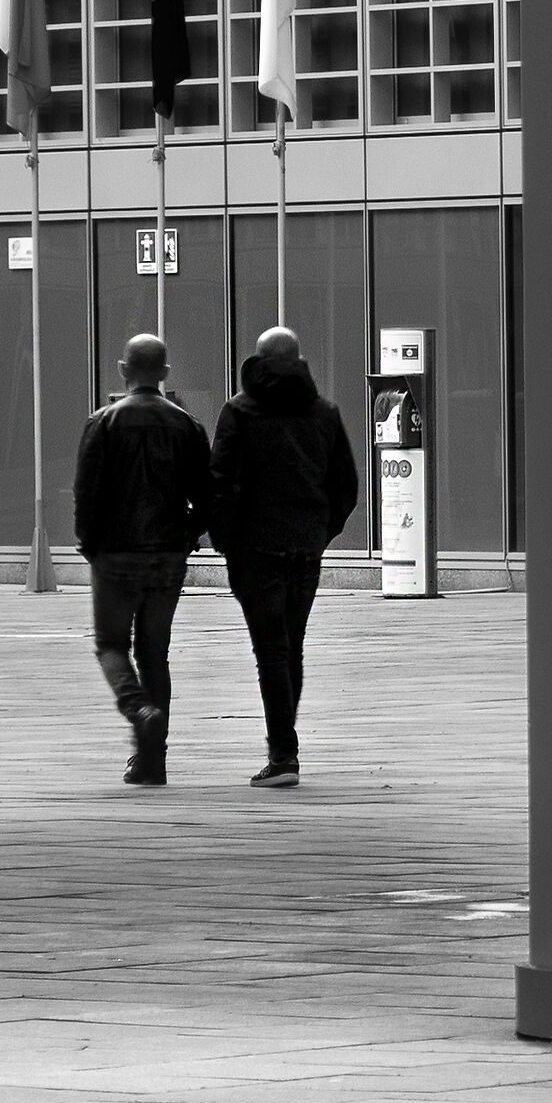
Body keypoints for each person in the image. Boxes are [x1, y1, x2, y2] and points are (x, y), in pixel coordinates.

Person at [207, 326, 359, 788]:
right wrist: (321, 532)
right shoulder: (324, 412)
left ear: (257, 360)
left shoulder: (239, 411)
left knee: (270, 649)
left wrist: (226, 540)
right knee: (292, 646)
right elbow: (346, 485)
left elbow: (219, 481)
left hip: (255, 548)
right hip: (305, 546)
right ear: (299, 360)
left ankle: (283, 754)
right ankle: (283, 749)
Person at [73, 333, 211, 786]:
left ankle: (138, 710)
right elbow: (205, 495)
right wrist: (187, 537)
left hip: (115, 552)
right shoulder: (187, 425)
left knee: (111, 644)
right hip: (166, 554)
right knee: (155, 654)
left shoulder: (103, 422)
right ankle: (153, 760)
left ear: (122, 370)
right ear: (165, 373)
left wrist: (89, 543)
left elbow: (86, 492)